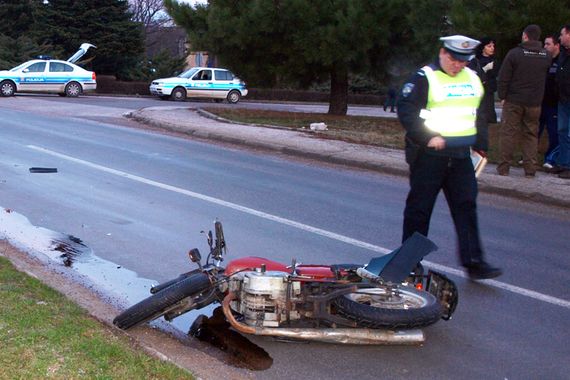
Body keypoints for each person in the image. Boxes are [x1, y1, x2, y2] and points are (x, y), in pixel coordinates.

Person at [397, 35, 502, 280]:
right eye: (454, 59)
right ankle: (409, 262)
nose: (458, 65)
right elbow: (407, 111)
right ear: (443, 53)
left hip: (461, 156)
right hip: (429, 156)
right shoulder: (426, 77)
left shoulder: (473, 77)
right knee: (419, 210)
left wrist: (481, 145)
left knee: (466, 207)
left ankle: (474, 262)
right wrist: (426, 137)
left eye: (463, 61)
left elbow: (479, 113)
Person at [496, 24, 552, 177]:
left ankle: (504, 168)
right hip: (535, 102)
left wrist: (503, 96)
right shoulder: (546, 56)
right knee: (531, 134)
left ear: (525, 36)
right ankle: (530, 169)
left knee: (508, 133)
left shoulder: (514, 54)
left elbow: (504, 78)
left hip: (514, 100)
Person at [468, 37, 499, 151]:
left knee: (483, 123)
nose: (492, 48)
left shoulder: (494, 61)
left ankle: (481, 149)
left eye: (493, 46)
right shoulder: (475, 61)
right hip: (477, 96)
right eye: (489, 46)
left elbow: (493, 81)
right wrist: (484, 70)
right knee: (476, 122)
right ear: (482, 48)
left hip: (487, 96)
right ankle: (475, 147)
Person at [539, 34, 560, 170]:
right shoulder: (544, 61)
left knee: (554, 133)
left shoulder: (561, 61)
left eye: (548, 44)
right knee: (534, 131)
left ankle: (551, 159)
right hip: (540, 102)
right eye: (544, 44)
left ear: (556, 46)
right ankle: (528, 157)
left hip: (554, 104)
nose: (545, 47)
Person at [555, 25, 570, 179]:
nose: (560, 37)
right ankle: (564, 163)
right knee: (563, 131)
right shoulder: (564, 53)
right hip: (563, 98)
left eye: (562, 34)